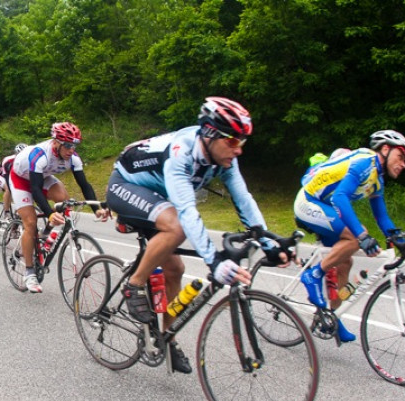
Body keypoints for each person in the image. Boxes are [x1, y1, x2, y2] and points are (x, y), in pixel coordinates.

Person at [105, 96, 288, 374]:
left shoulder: (223, 159)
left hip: (158, 196)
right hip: (125, 185)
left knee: (175, 270)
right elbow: (187, 212)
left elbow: (244, 199)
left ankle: (167, 339)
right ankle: (135, 283)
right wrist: (214, 261)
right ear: (210, 134)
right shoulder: (182, 153)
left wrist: (269, 243)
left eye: (242, 141)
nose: (238, 150)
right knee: (177, 227)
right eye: (232, 141)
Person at [295, 129, 405, 342]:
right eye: (401, 156)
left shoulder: (377, 180)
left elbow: (381, 217)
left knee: (345, 263)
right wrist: (361, 235)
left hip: (325, 208)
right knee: (354, 238)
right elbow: (340, 198)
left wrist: (401, 240)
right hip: (309, 201)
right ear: (386, 149)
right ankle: (313, 275)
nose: (404, 164)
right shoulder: (365, 162)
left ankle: (333, 315)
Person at [10, 122, 108, 294]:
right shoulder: (40, 155)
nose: (71, 150)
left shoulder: (73, 158)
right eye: (68, 145)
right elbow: (35, 189)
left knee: (64, 200)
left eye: (75, 145)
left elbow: (84, 185)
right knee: (30, 223)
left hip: (43, 177)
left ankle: (46, 232)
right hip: (21, 180)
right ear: (56, 142)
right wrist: (49, 214)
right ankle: (29, 272)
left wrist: (96, 208)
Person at [0, 143, 27, 219]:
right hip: (1, 175)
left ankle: (18, 211)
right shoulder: (8, 161)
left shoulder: (28, 160)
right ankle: (6, 212)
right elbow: (7, 177)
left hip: (13, 175)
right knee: (9, 189)